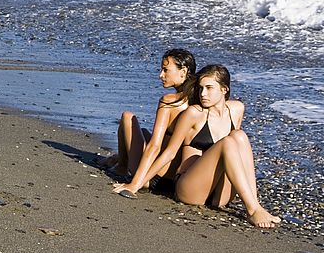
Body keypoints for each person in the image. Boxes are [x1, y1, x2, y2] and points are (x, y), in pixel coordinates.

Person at [116, 64, 280, 228]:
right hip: (191, 189)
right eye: (201, 88)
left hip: (219, 196)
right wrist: (135, 185)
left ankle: (256, 205)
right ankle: (252, 211)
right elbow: (170, 153)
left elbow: (238, 154)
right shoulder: (193, 114)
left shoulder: (237, 109)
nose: (203, 94)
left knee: (239, 136)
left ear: (224, 90)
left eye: (209, 88)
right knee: (228, 142)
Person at [106, 49, 197, 195]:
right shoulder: (198, 103)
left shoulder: (169, 102)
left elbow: (154, 146)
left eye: (166, 70)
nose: (161, 75)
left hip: (154, 179)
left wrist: (135, 184)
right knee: (143, 132)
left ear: (183, 71)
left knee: (127, 117)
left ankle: (122, 166)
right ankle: (117, 160)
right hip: (178, 181)